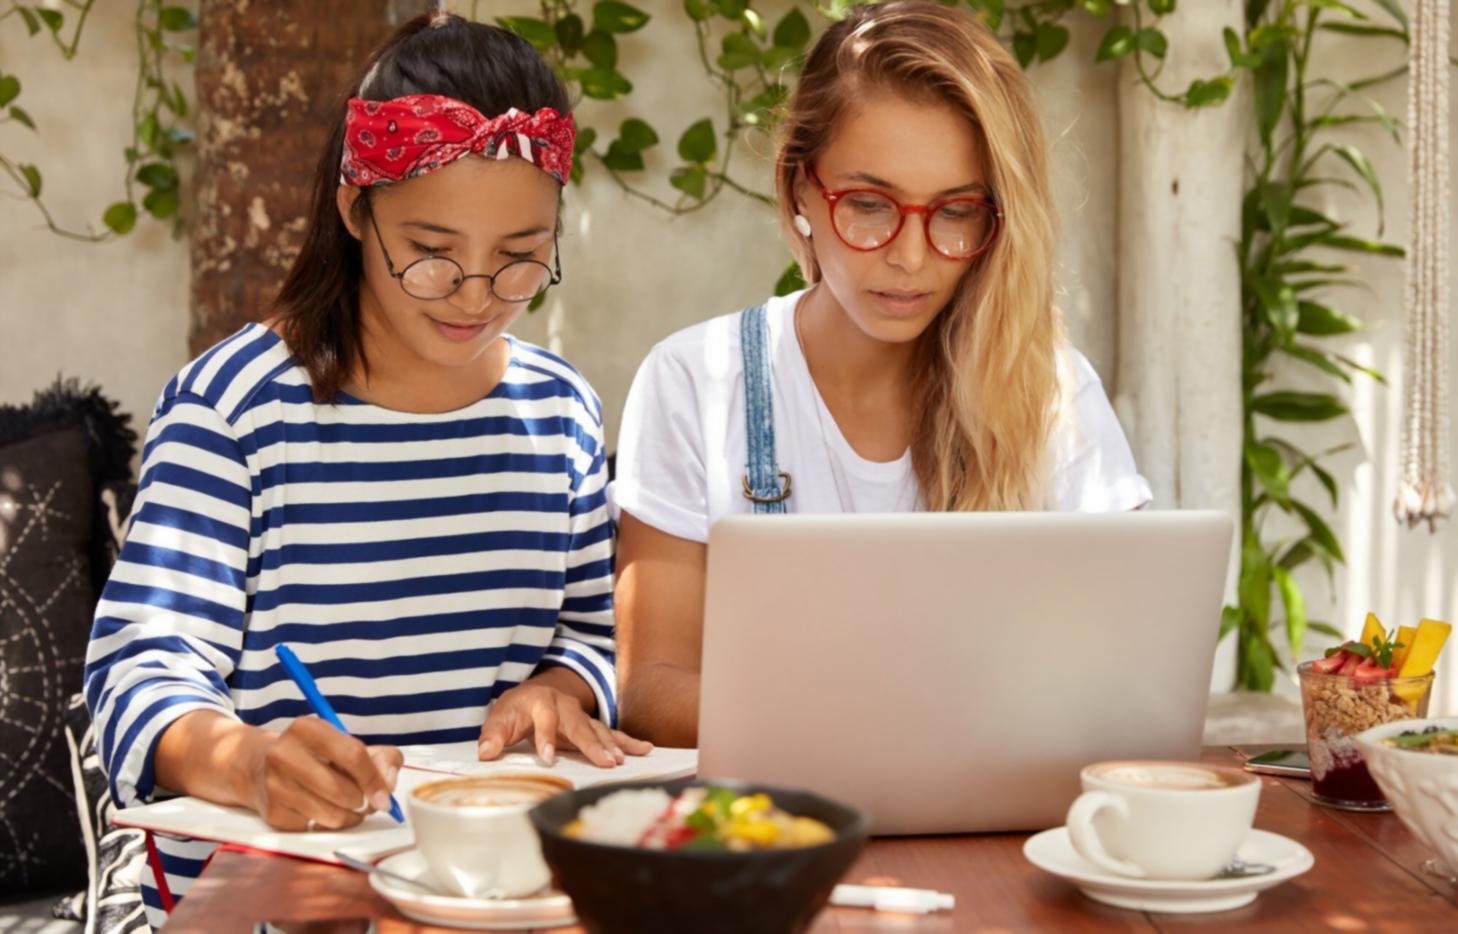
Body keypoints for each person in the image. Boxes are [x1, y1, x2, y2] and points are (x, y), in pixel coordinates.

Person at [83, 12, 647, 925]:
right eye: (430, 254)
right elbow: (137, 675)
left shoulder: (561, 414)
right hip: (270, 895)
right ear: (354, 209)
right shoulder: (236, 410)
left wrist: (562, 687)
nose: (475, 296)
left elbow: (594, 635)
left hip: (489, 894)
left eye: (520, 260)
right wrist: (250, 762)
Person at [612, 0, 1153, 748]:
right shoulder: (693, 381)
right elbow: (650, 689)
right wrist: (891, 714)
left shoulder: (1050, 391)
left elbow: (1126, 669)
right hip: (783, 814)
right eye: (869, 204)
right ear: (799, 188)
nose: (909, 256)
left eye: (955, 211)